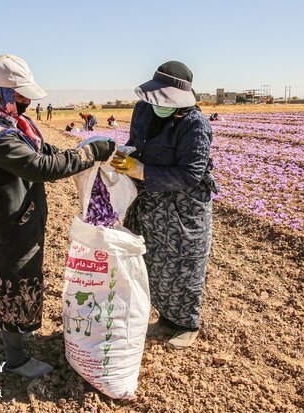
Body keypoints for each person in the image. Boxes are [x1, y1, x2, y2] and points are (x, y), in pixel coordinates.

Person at [0, 54, 115, 378]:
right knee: (14, 279)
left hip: (12, 214)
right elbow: (40, 167)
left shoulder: (7, 123)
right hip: (6, 223)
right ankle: (16, 359)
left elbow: (41, 152)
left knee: (14, 277)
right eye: (19, 96)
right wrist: (89, 153)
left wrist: (69, 153)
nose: (27, 102)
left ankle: (12, 333)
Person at [110, 61, 219, 349]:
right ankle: (165, 319)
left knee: (184, 266)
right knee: (152, 264)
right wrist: (125, 156)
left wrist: (143, 171)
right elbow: (136, 140)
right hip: (150, 204)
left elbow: (192, 174)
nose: (159, 104)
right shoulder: (144, 109)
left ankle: (186, 324)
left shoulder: (195, 125)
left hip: (184, 208)